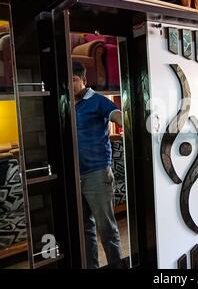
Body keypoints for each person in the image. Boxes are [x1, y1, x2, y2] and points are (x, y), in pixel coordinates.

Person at [72, 61, 123, 269]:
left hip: (97, 173)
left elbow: (116, 115)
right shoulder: (67, 102)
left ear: (84, 80)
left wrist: (127, 121)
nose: (70, 84)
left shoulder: (98, 101)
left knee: (107, 229)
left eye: (74, 80)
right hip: (75, 174)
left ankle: (117, 266)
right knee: (85, 230)